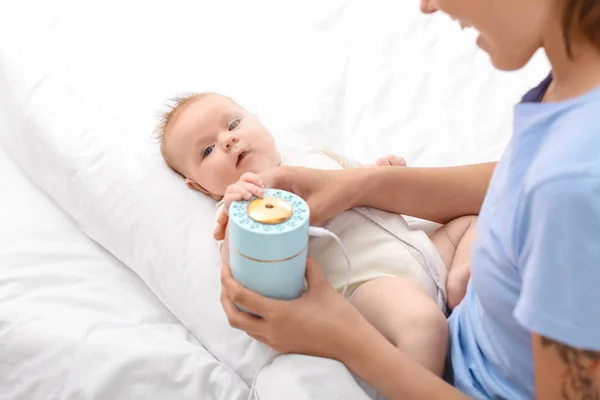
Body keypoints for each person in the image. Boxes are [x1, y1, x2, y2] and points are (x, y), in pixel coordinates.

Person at [216, 0, 600, 398]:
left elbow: (556, 195)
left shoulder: (571, 185)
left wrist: (346, 340)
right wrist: (362, 184)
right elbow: (515, 182)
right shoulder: (572, 87)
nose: (427, 6)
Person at [154, 91, 476, 377]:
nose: (226, 140)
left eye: (234, 124)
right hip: (371, 283)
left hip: (426, 246)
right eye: (207, 150)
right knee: (423, 325)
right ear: (198, 186)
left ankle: (459, 277)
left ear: (259, 121)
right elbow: (241, 264)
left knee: (477, 218)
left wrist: (387, 169)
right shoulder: (236, 209)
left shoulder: (314, 154)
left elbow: (371, 183)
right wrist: (237, 213)